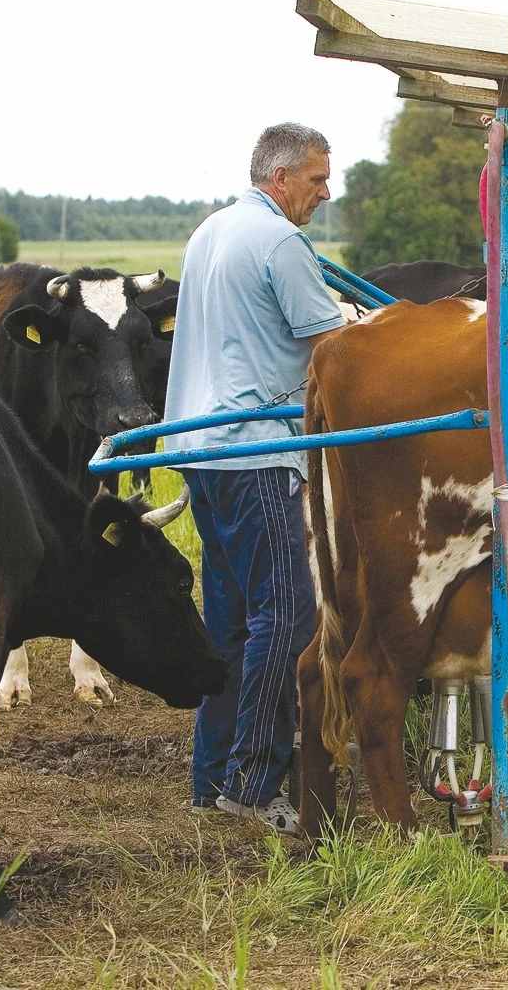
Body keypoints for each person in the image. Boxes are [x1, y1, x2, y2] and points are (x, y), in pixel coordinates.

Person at [163, 123, 344, 833]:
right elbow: (332, 348)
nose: (325, 193)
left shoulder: (211, 232)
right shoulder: (280, 243)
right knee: (288, 614)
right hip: (257, 452)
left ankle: (211, 781)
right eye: (317, 179)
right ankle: (252, 780)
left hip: (200, 450)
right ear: (280, 178)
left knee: (232, 620)